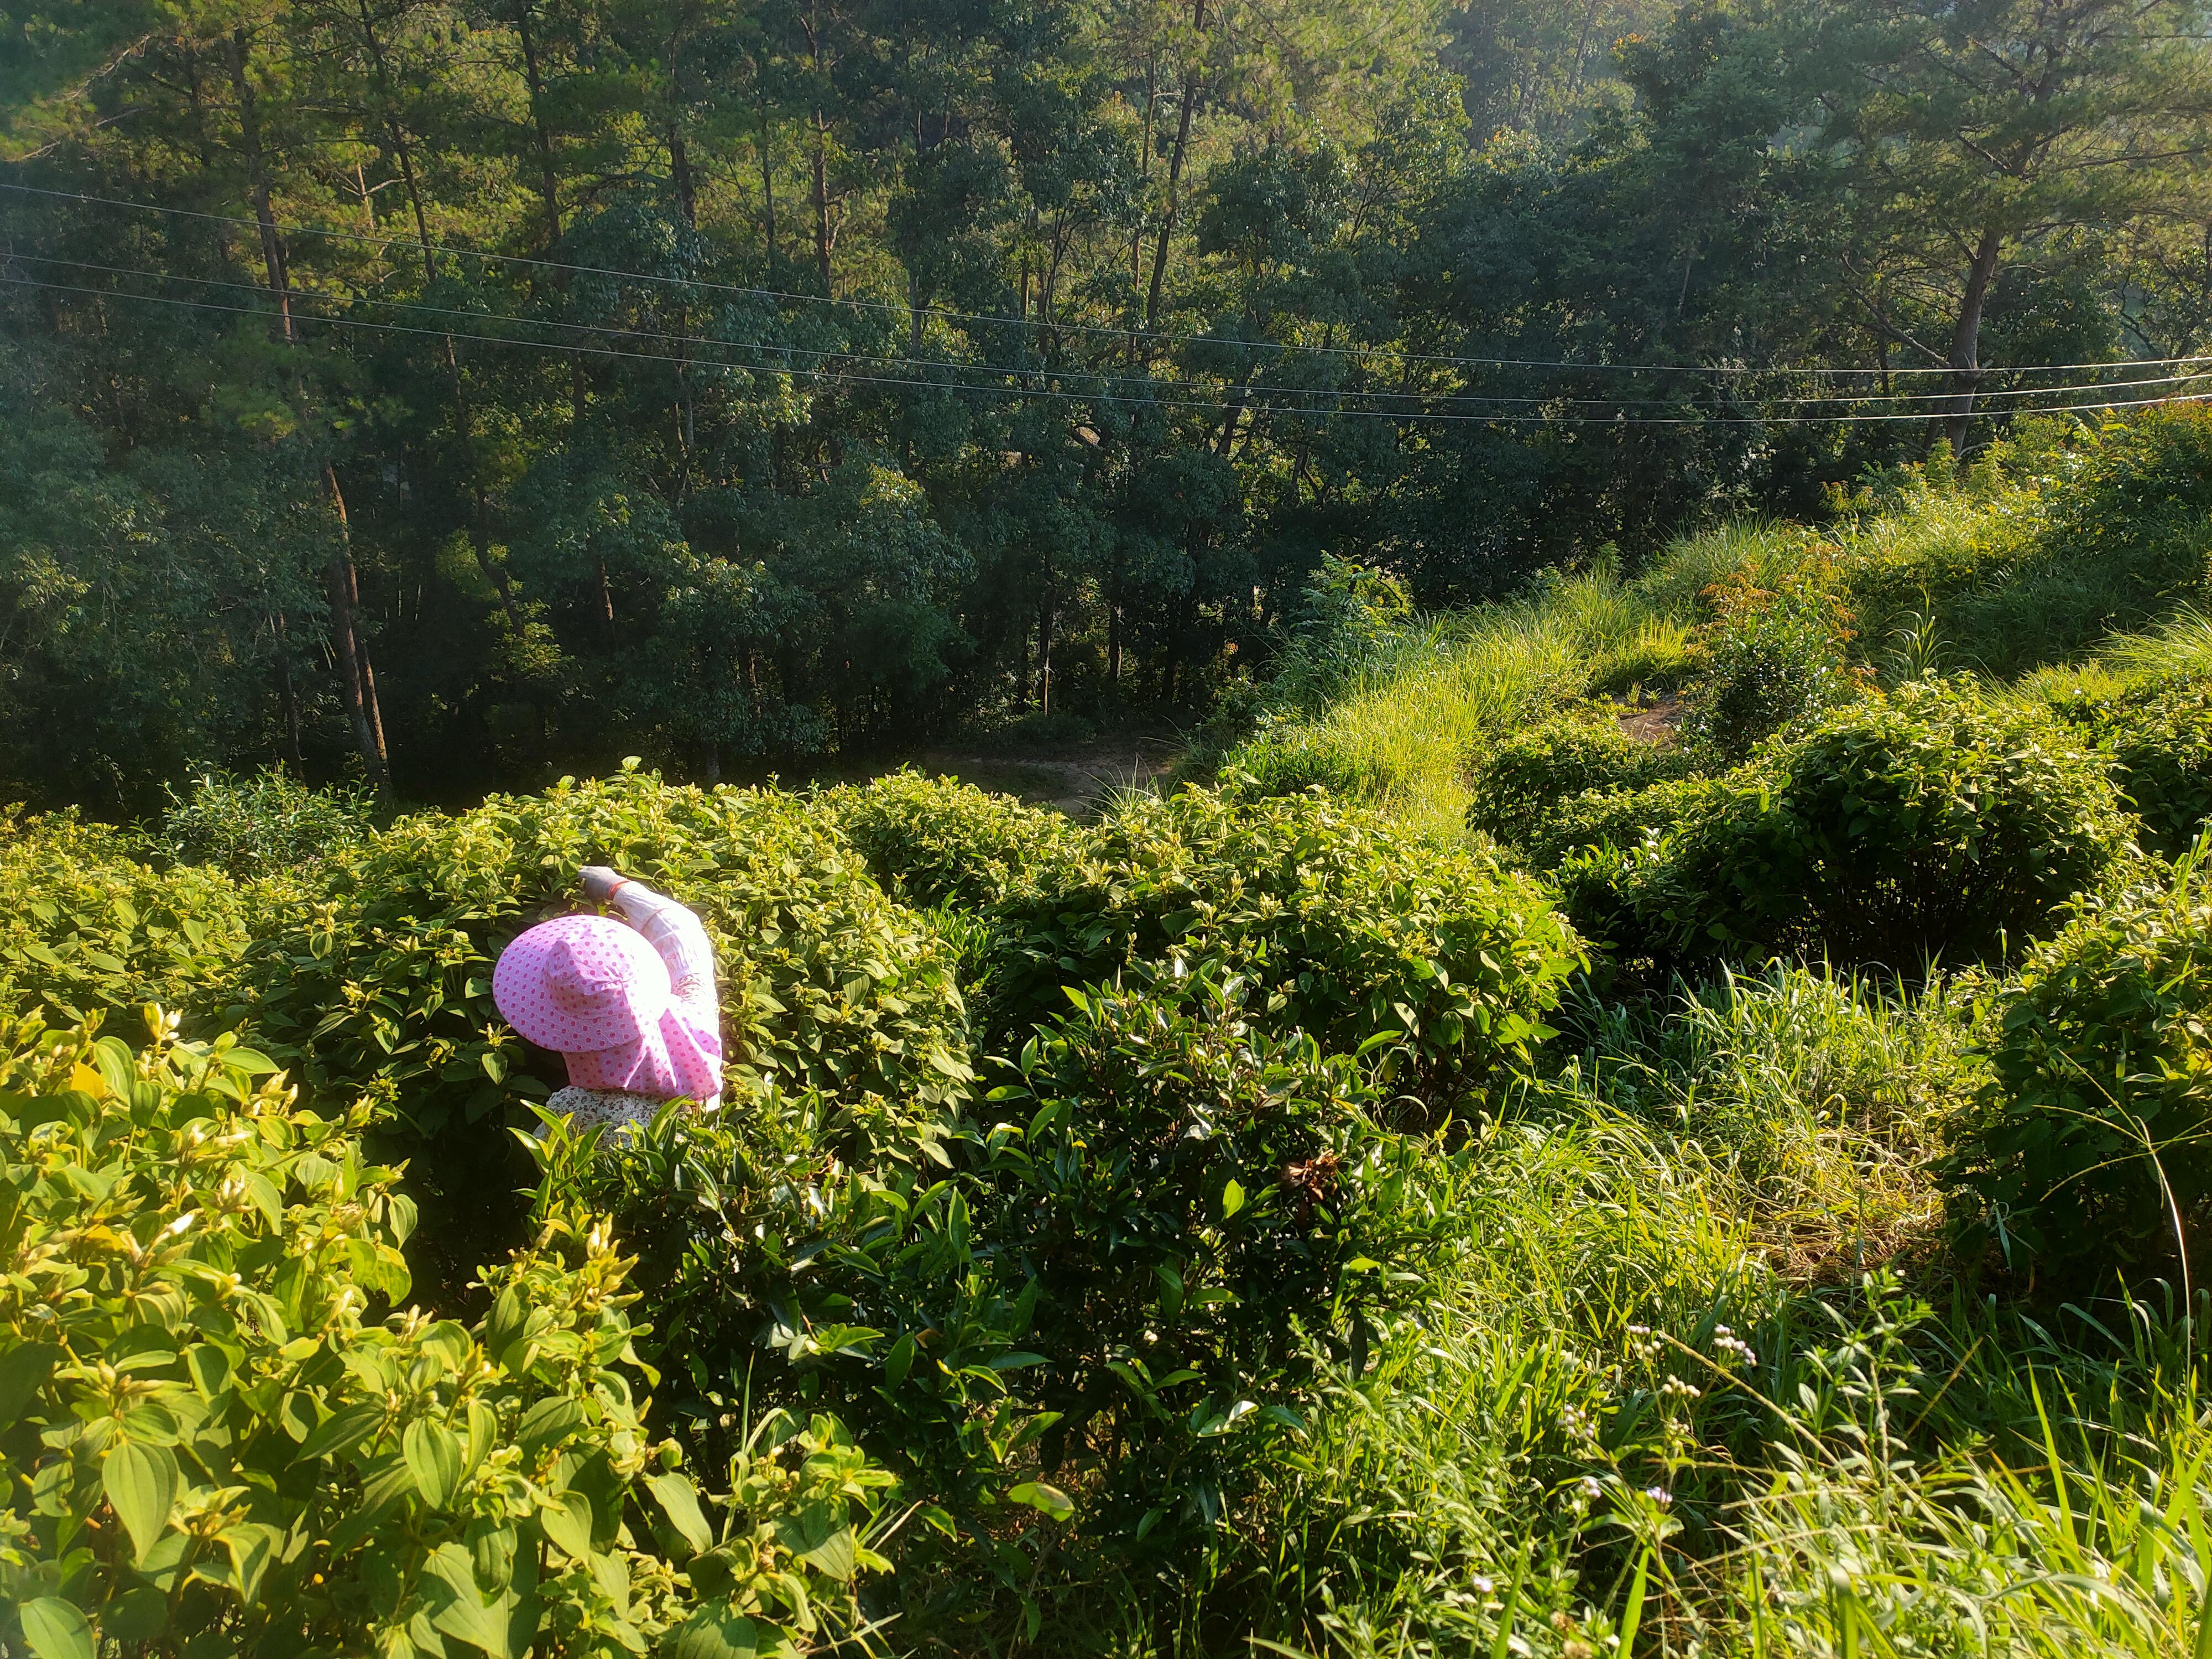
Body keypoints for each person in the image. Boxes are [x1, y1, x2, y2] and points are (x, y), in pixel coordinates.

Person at [491, 865, 722, 1137]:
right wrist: (616, 888)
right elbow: (681, 931)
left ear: (563, 1036)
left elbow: (546, 1161)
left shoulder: (574, 1111)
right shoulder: (696, 1023)